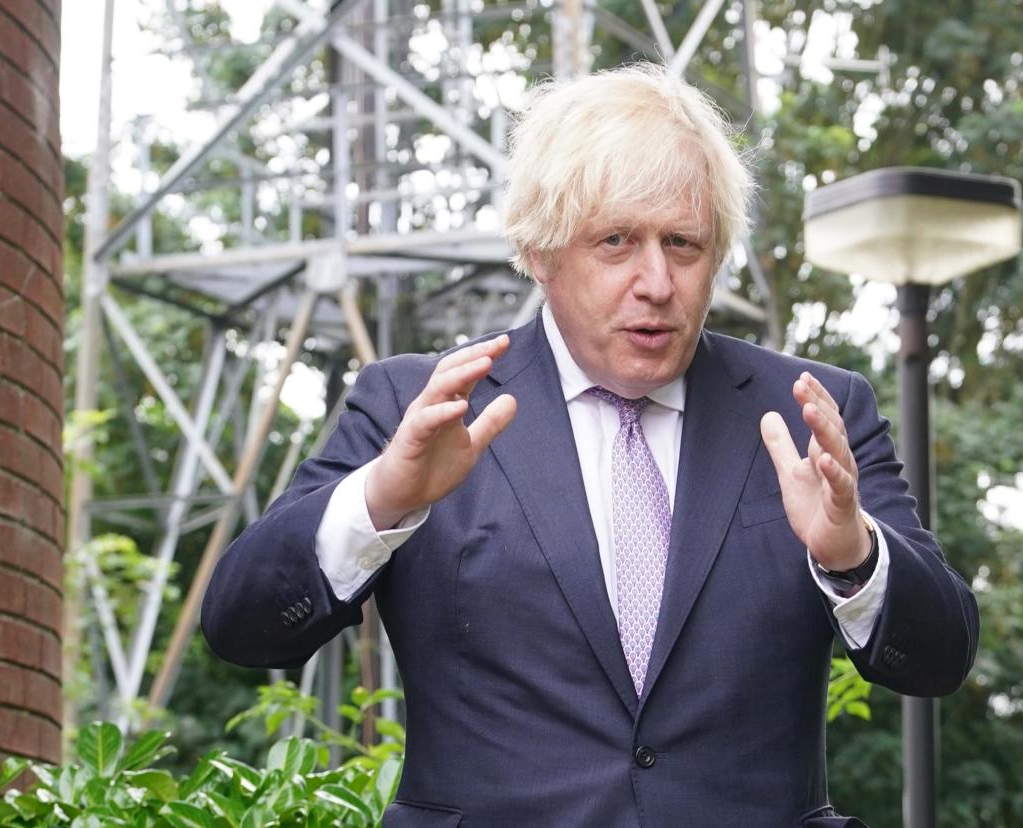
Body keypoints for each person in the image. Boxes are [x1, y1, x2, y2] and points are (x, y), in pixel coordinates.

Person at [202, 63, 978, 828]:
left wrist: (853, 556)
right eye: (615, 241)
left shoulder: (812, 413)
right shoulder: (422, 408)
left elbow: (942, 657)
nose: (656, 282)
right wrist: (383, 502)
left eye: (683, 244)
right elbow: (241, 626)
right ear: (540, 253)